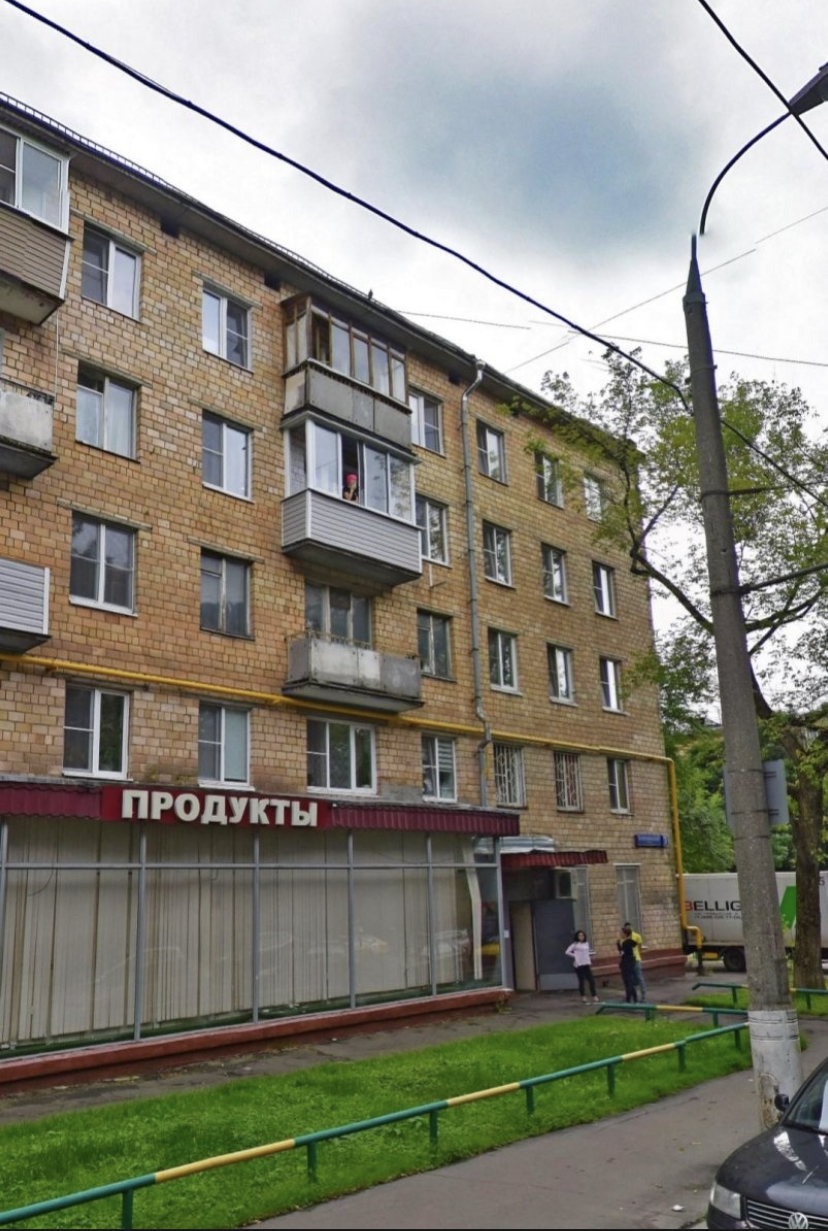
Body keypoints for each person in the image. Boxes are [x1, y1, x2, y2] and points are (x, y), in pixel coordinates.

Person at [565, 929, 599, 1003]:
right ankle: (583, 996)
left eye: (582, 935)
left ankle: (594, 995)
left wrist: (591, 954)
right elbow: (567, 952)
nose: (581, 937)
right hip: (579, 965)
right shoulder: (575, 944)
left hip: (586, 963)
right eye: (579, 936)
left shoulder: (586, 943)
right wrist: (575, 956)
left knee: (591, 980)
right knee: (581, 981)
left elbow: (587, 952)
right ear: (577, 937)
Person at [624, 920, 647, 1002]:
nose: (628, 929)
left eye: (629, 927)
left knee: (639, 977)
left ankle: (643, 996)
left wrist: (637, 955)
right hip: (628, 960)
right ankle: (632, 996)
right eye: (627, 928)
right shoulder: (624, 937)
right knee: (631, 979)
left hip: (636, 959)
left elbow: (640, 948)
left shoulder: (637, 936)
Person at [617, 925, 639, 1003]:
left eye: (621, 933)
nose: (619, 934)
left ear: (625, 934)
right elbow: (635, 945)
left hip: (626, 964)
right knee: (630, 981)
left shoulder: (625, 943)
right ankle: (633, 999)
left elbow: (622, 953)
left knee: (628, 982)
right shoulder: (631, 941)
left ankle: (630, 999)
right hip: (631, 962)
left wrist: (618, 943)